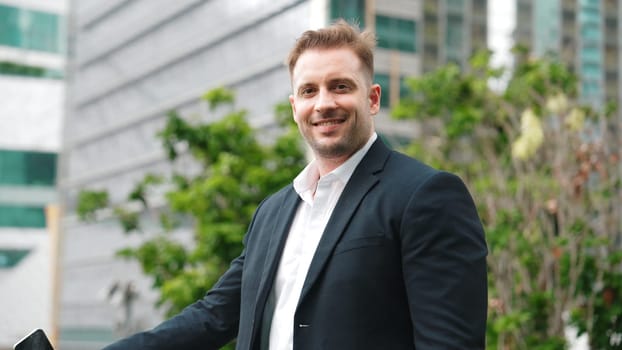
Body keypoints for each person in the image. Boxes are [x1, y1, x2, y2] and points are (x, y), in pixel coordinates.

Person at [103, 20, 488, 350]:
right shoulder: (272, 212)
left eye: (340, 86)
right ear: (294, 107)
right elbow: (213, 317)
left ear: (372, 99)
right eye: (309, 91)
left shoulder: (426, 195)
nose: (323, 103)